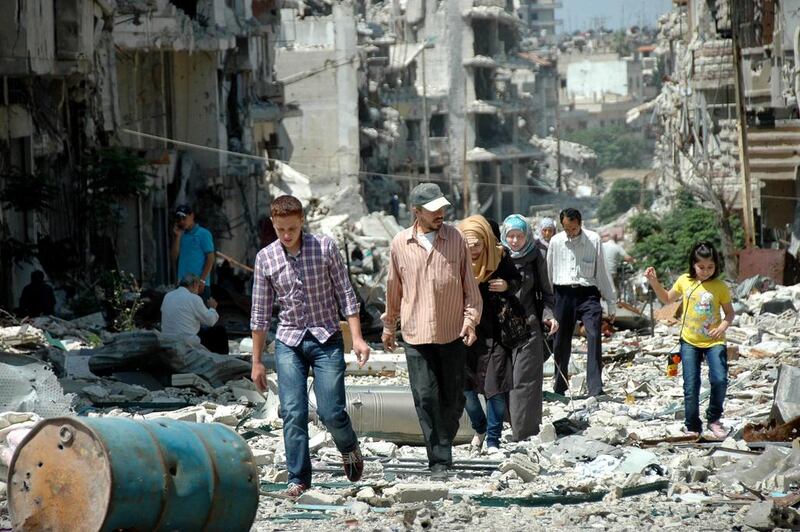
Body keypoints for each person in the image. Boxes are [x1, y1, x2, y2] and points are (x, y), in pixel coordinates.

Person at [250, 195, 370, 498]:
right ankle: (298, 479)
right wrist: (256, 362)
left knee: (331, 411)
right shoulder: (266, 258)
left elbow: (346, 294)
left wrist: (356, 338)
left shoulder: (325, 247)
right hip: (289, 341)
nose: (287, 235)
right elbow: (260, 314)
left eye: (291, 228)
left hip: (326, 338)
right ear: (273, 226)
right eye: (280, 230)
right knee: (292, 411)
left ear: (302, 221)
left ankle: (348, 446)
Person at [382, 183, 482, 477]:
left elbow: (469, 286)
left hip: (452, 331)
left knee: (452, 399)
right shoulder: (401, 243)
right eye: (433, 209)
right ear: (417, 211)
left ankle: (443, 440)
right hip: (415, 333)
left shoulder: (456, 239)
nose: (440, 213)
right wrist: (389, 325)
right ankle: (439, 458)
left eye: (442, 208)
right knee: (425, 397)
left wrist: (470, 320)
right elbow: (393, 288)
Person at [644, 242, 734, 439]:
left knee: (719, 379)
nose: (706, 271)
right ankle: (693, 425)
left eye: (710, 267)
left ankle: (714, 419)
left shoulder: (720, 286)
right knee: (691, 384)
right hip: (689, 341)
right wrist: (654, 282)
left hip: (714, 341)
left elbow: (729, 314)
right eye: (701, 267)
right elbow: (667, 299)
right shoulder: (684, 281)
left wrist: (722, 328)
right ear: (693, 264)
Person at [458, 215, 519, 452]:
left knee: (495, 388)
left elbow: (517, 281)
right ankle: (480, 427)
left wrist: (506, 285)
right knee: (465, 389)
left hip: (495, 333)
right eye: (468, 244)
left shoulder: (499, 257)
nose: (472, 249)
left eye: (477, 244)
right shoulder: (455, 260)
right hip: (463, 332)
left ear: (486, 241)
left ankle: (493, 438)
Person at [547, 208, 617, 397]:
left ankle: (595, 387)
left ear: (580, 224)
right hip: (562, 294)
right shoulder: (556, 242)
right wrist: (547, 303)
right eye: (567, 229)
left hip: (588, 294)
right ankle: (560, 385)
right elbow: (549, 273)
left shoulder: (593, 240)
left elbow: (602, 272)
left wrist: (611, 302)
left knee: (594, 334)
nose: (571, 232)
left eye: (574, 228)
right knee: (560, 341)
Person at [501, 214, 559, 440]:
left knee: (525, 381)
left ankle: (523, 433)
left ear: (527, 236)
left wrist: (549, 316)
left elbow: (547, 294)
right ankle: (499, 427)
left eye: (519, 236)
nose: (515, 241)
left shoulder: (536, 258)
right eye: (510, 236)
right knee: (500, 380)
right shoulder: (498, 257)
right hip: (501, 329)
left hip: (529, 327)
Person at [160, 273, 220, 347]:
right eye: (198, 287)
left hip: (166, 341)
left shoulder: (168, 296)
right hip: (185, 343)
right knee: (219, 332)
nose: (198, 291)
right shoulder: (194, 298)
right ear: (195, 284)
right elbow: (211, 321)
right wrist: (212, 308)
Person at [171, 205, 215, 300]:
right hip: (182, 285)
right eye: (179, 219)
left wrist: (202, 280)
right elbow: (174, 257)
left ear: (192, 216)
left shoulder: (203, 234)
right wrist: (178, 237)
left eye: (184, 218)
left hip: (198, 285)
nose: (182, 221)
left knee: (201, 314)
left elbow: (210, 258)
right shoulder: (181, 235)